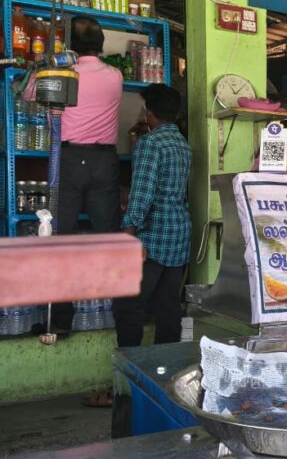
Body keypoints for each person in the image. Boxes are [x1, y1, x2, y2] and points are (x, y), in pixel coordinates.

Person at [54, 17, 123, 331]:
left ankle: (61, 321)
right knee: (109, 236)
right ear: (101, 45)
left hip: (70, 159)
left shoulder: (64, 74)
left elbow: (29, 92)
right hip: (104, 161)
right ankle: (119, 317)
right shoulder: (115, 76)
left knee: (63, 239)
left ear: (71, 45)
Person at [113, 84, 192, 349]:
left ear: (150, 113)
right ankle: (165, 365)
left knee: (128, 306)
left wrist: (129, 231)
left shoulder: (150, 144)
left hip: (153, 237)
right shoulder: (183, 144)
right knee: (167, 305)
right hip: (178, 233)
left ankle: (130, 366)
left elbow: (142, 193)